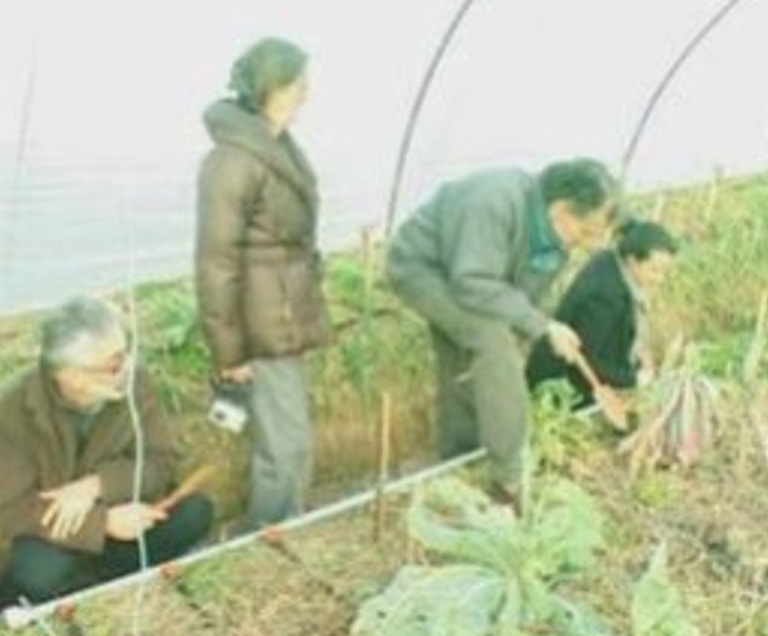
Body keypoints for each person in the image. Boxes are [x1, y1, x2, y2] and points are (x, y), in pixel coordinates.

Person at [386, 159, 618, 505]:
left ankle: (461, 455)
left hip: (473, 277)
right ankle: (510, 480)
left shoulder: (556, 242)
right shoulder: (496, 200)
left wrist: (538, 330)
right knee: (491, 342)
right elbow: (472, 281)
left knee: (472, 359)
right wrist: (541, 327)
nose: (589, 243)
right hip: (426, 268)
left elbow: (522, 300)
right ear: (562, 210)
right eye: (586, 231)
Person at [0, 297, 212, 603]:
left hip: (130, 517)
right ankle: (91, 585)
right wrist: (102, 523)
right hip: (65, 538)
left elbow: (162, 463)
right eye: (114, 363)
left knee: (195, 513)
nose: (127, 367)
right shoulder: (12, 407)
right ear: (70, 375)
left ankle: (116, 577)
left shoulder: (135, 381)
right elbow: (12, 510)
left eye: (126, 351)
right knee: (37, 572)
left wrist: (96, 486)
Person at [195, 37, 329, 530]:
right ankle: (269, 535)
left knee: (290, 439)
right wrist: (229, 353)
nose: (305, 94)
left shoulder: (274, 145)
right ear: (268, 88)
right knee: (285, 444)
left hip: (282, 315)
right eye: (297, 85)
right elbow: (216, 263)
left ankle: (286, 521)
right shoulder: (232, 162)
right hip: (260, 323)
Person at [527, 219, 679, 411]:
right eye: (654, 271)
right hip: (561, 389)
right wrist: (634, 379)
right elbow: (589, 360)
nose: (660, 279)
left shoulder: (612, 261)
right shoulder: (604, 297)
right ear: (632, 261)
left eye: (665, 272)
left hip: (582, 374)